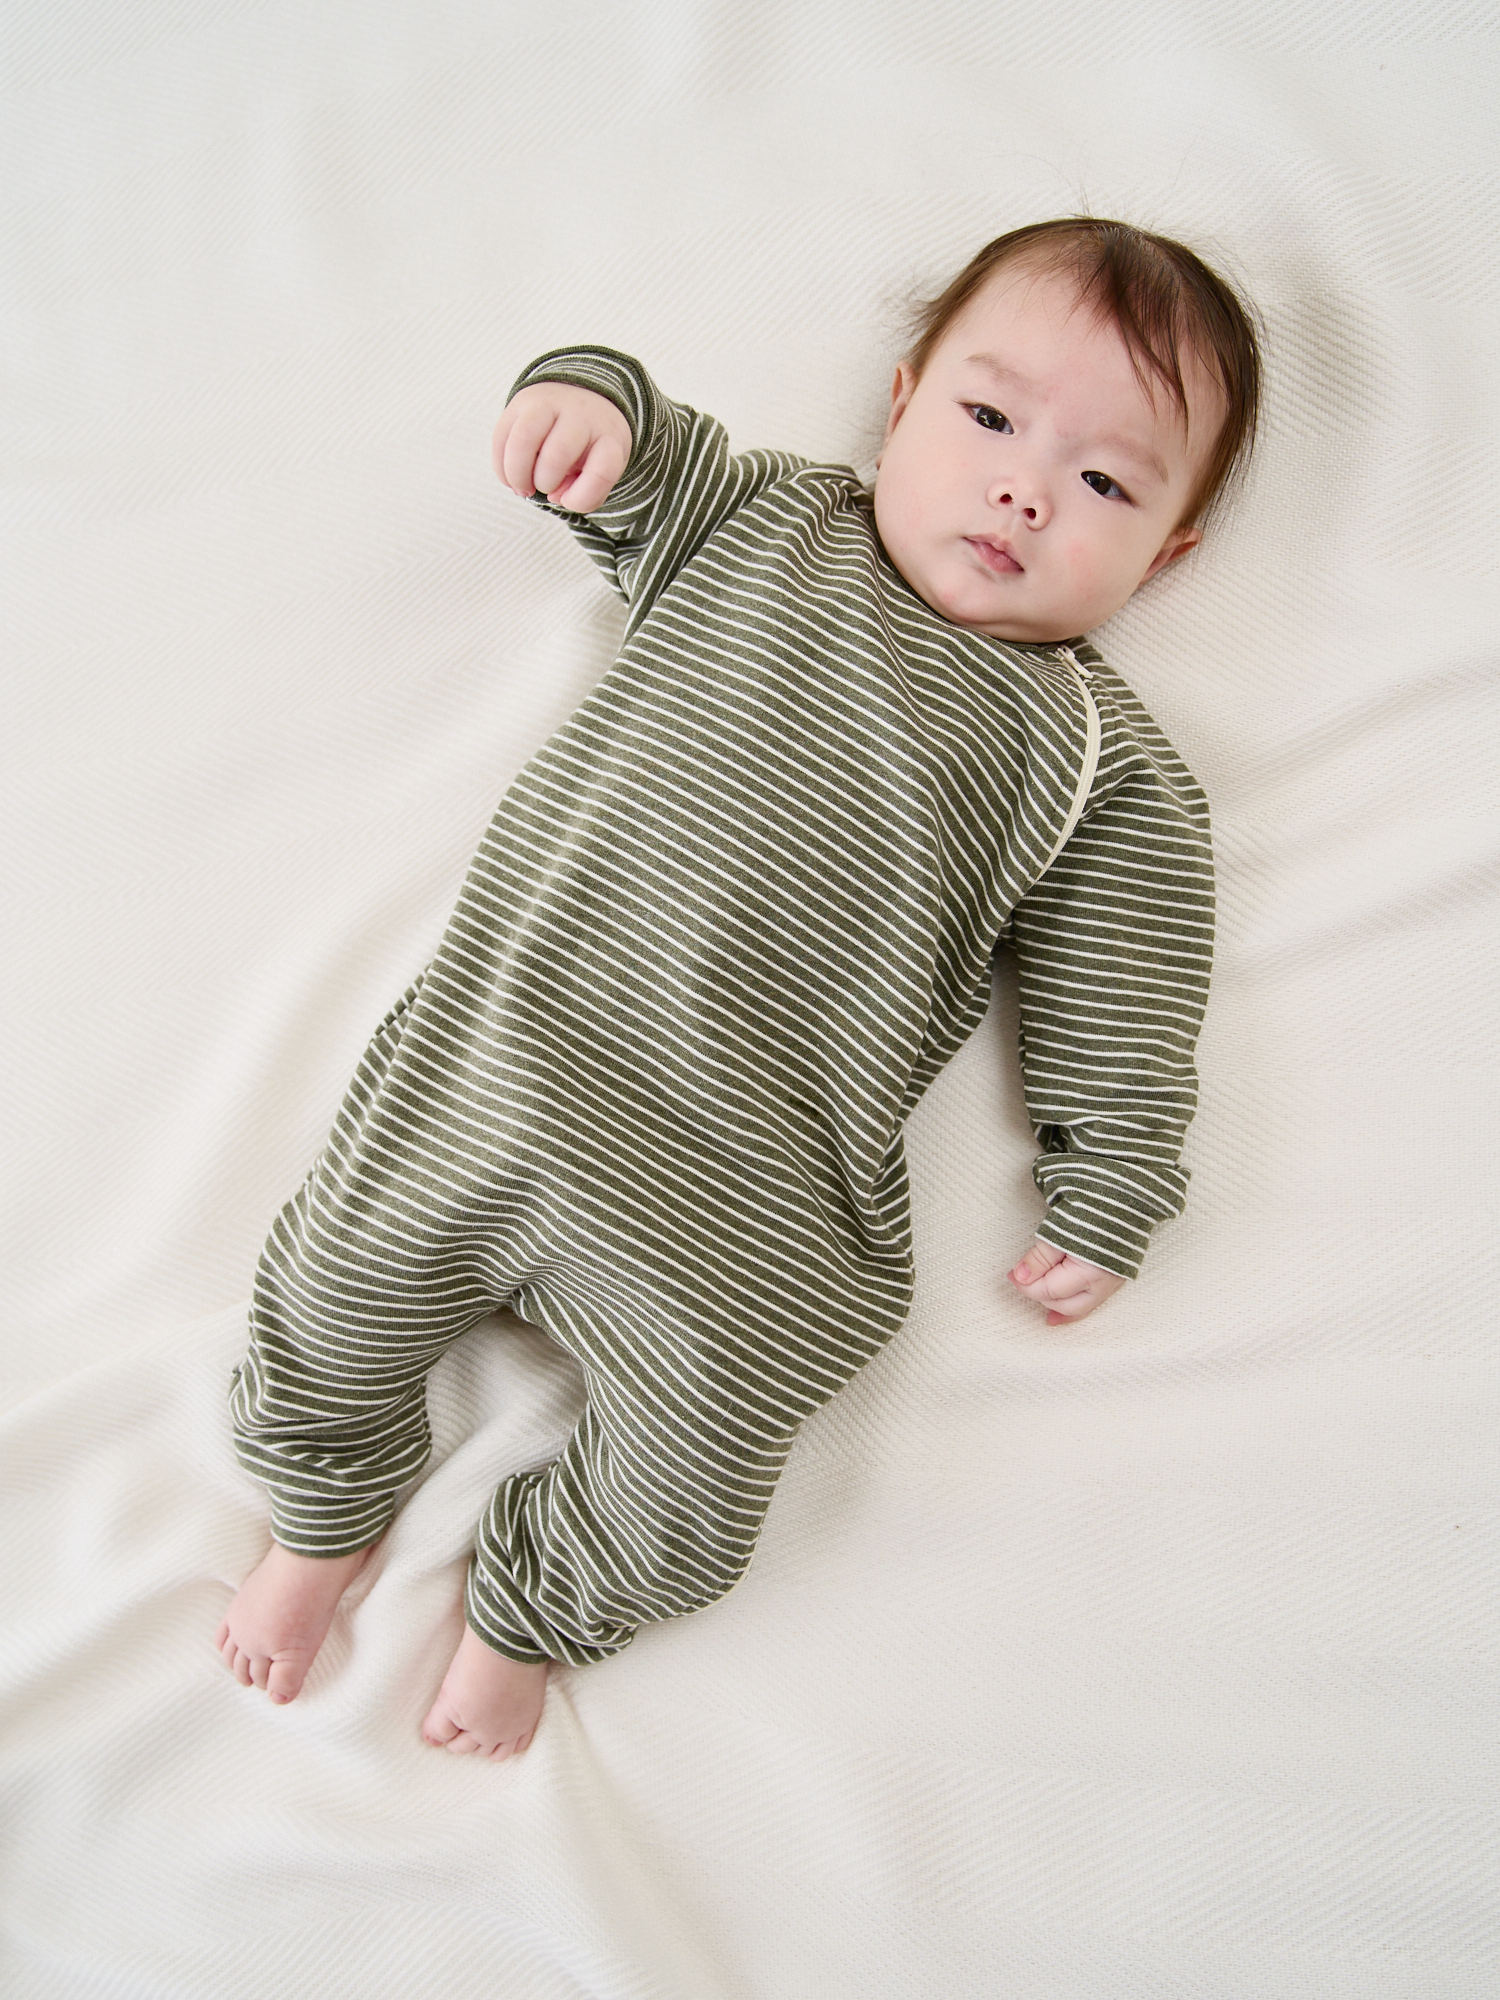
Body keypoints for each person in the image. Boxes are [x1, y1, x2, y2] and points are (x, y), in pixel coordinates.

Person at [215, 218, 1262, 1759]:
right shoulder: (770, 524)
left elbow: (1133, 987)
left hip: (750, 1199)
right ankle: (324, 1512)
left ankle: (537, 1608)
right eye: (989, 419)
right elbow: (639, 451)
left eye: (1106, 484)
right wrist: (585, 405)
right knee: (331, 1292)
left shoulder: (1100, 761)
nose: (1026, 491)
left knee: (700, 1467)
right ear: (900, 405)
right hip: (508, 1069)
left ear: (1165, 556)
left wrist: (1114, 1179)